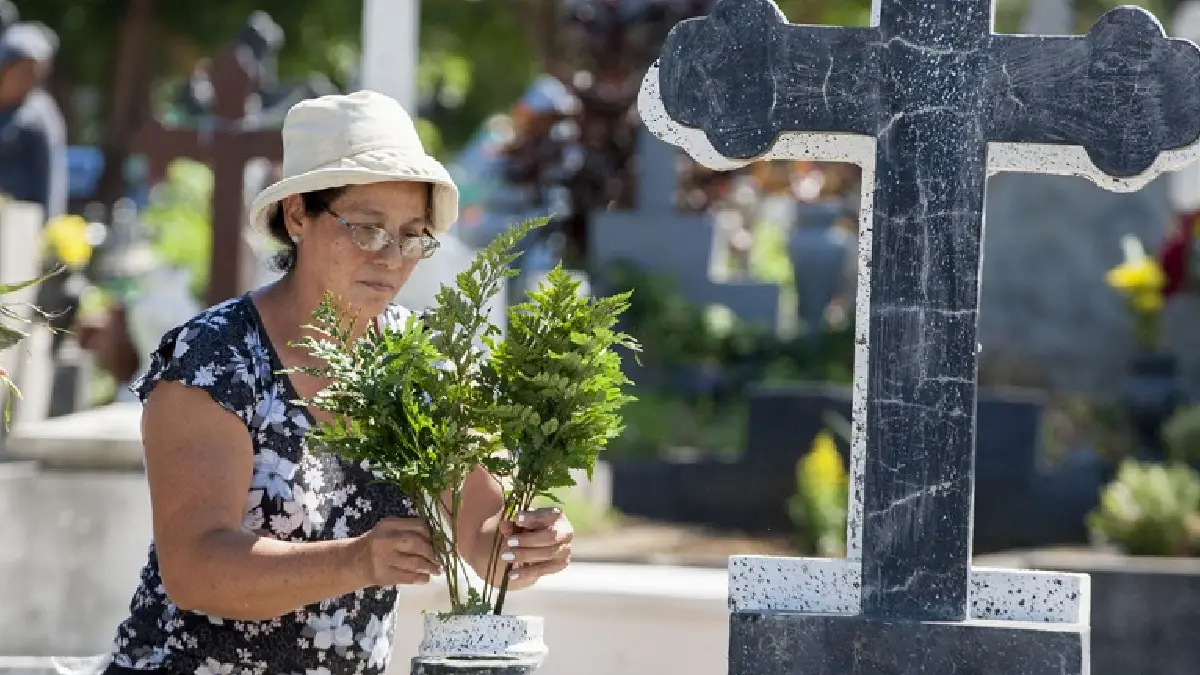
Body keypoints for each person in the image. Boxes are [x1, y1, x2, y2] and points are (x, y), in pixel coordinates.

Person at [100, 91, 575, 675]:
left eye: (412, 235)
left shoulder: (420, 360)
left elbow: (482, 534)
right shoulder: (215, 360)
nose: (392, 257)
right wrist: (356, 561)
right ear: (298, 215)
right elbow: (195, 569)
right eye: (368, 229)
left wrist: (529, 544)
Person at [0, 21, 66, 220]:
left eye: (37, 72)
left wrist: (50, 228)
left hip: (20, 222)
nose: (31, 79)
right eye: (25, 70)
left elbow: (51, 179)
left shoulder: (39, 116)